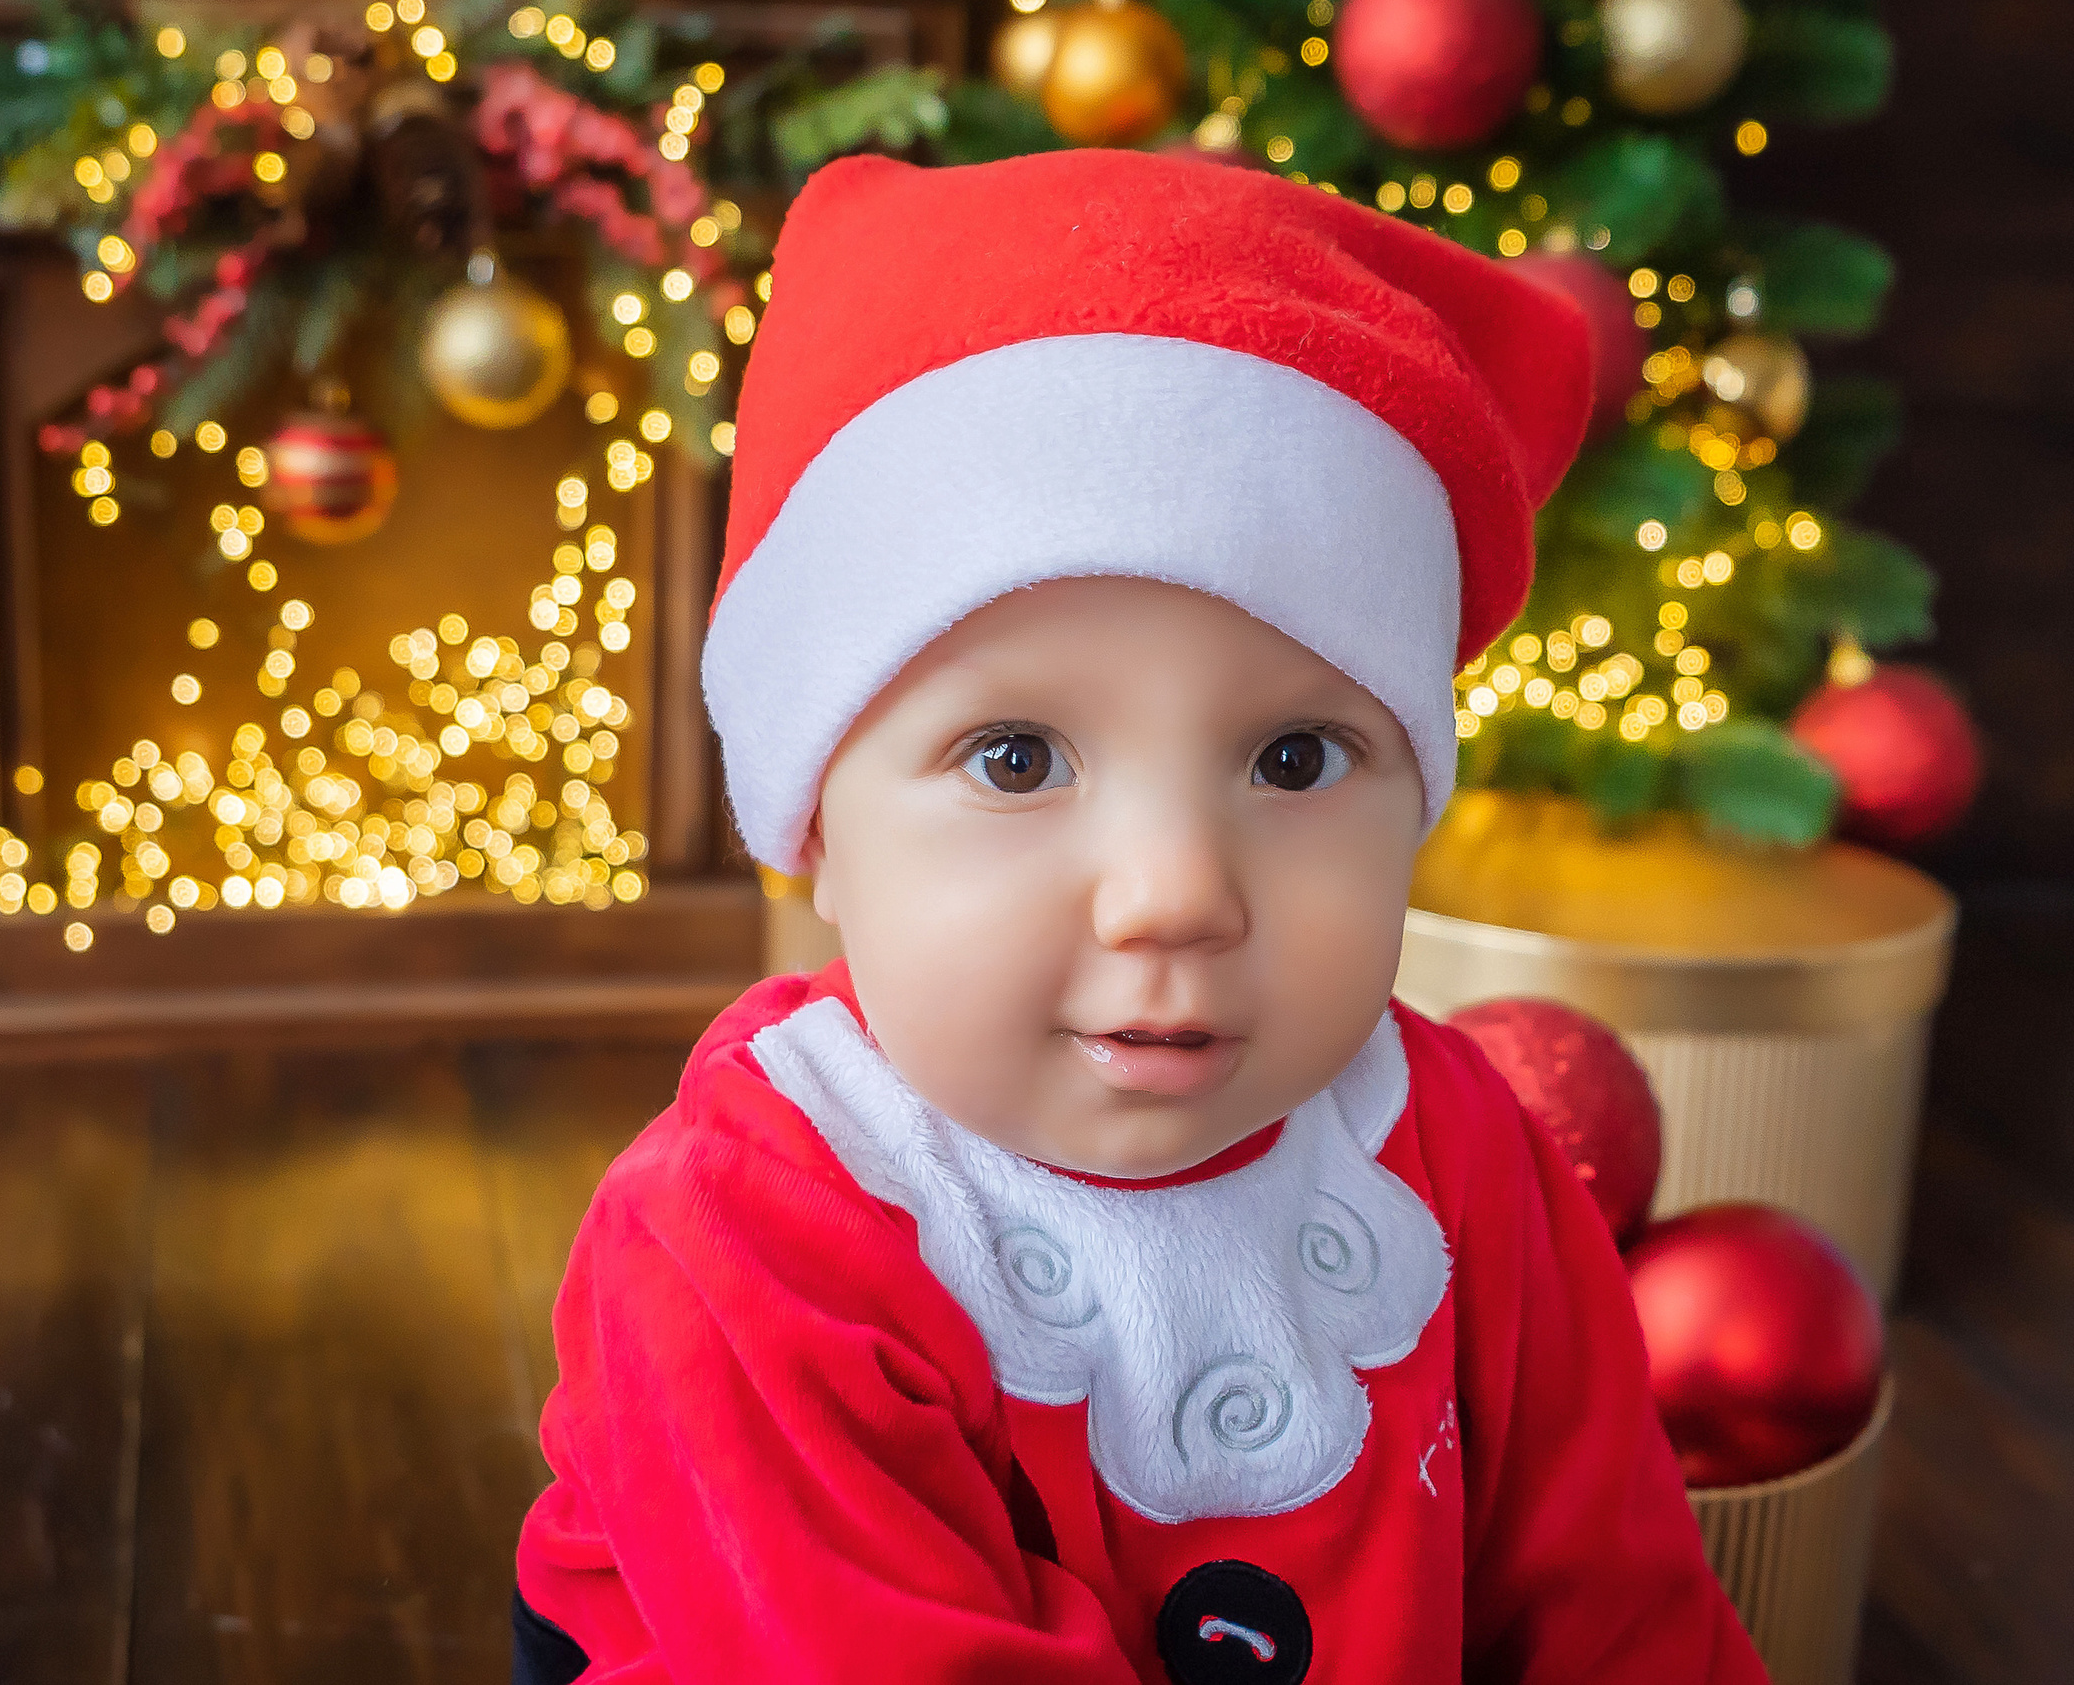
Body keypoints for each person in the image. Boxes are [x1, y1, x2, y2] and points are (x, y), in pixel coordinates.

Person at [510, 148, 1766, 1685]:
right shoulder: (743, 1242)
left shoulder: (1457, 1154)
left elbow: (1614, 1610)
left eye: (1295, 757)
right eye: (1017, 758)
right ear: (821, 834)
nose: (1175, 890)